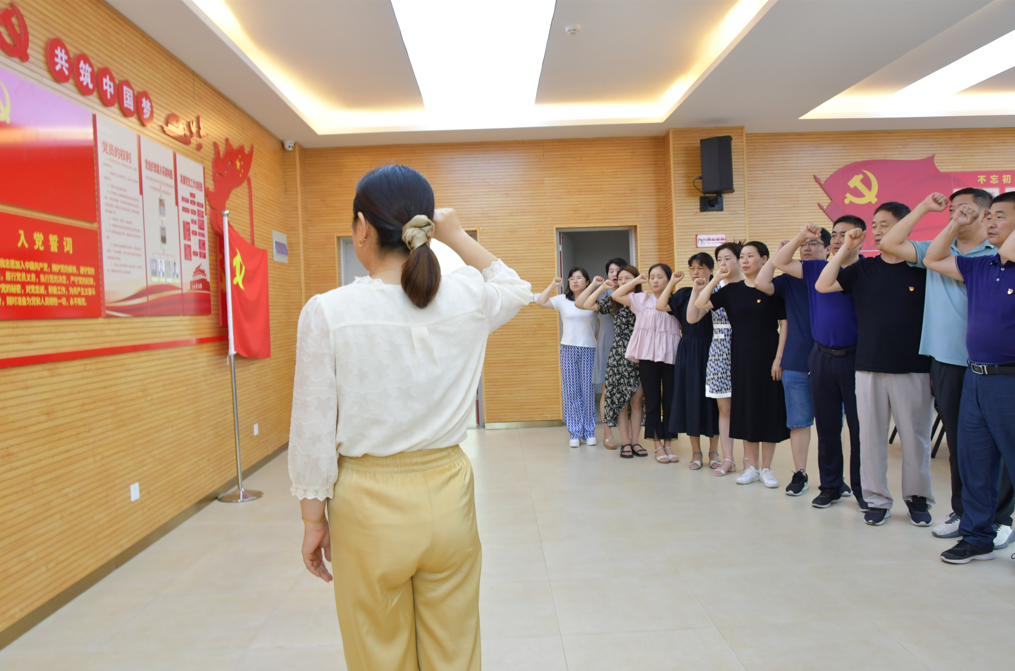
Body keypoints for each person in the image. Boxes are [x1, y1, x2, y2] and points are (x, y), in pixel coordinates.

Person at [288, 165, 531, 671]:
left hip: (368, 505)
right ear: (425, 226)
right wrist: (456, 235)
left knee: (378, 654)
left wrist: (313, 520)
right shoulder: (466, 295)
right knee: (454, 650)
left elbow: (313, 430)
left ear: (362, 227)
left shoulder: (329, 312)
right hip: (449, 493)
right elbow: (515, 286)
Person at [879, 190, 1014, 548]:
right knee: (965, 447)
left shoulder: (997, 255)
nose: (959, 214)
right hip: (950, 362)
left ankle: (1001, 518)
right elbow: (892, 244)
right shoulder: (950, 252)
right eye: (953, 210)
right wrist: (931, 210)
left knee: (1004, 447)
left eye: (968, 209)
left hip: (999, 368)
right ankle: (966, 514)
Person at [816, 201, 935, 527]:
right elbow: (823, 284)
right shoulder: (864, 268)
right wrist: (845, 248)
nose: (878, 230)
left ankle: (918, 498)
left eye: (886, 224)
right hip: (868, 365)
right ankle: (876, 499)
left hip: (912, 367)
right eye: (875, 225)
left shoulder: (922, 267)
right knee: (869, 437)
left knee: (915, 438)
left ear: (904, 227)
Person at [923, 192, 1015, 563]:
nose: (990, 222)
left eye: (1000, 216)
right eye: (988, 216)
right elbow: (932, 258)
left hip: (1009, 381)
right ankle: (977, 537)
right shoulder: (980, 266)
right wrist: (956, 223)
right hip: (975, 377)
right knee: (975, 462)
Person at [773, 218, 865, 510]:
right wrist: (801, 236)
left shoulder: (868, 269)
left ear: (859, 237)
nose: (839, 239)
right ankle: (830, 485)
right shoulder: (816, 269)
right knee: (827, 428)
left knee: (859, 428)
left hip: (857, 357)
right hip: (821, 357)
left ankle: (863, 489)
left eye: (845, 234)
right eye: (835, 234)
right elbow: (780, 261)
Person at [694, 241, 789, 487]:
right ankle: (752, 468)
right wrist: (716, 279)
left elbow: (784, 324)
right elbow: (701, 303)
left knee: (767, 410)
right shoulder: (731, 291)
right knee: (746, 410)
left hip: (768, 356)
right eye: (743, 256)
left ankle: (766, 469)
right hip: (740, 358)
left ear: (764, 259)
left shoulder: (772, 288)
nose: (745, 261)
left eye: (750, 256)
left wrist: (779, 358)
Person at [756, 230, 829, 495]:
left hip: (831, 360)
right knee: (799, 422)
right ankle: (800, 474)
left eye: (813, 243)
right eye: (802, 245)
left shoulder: (837, 274)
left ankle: (834, 478)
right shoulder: (789, 280)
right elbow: (761, 282)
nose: (806, 248)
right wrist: (784, 248)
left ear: (828, 249)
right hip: (797, 360)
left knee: (831, 424)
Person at [612, 264, 682, 463]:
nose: (655, 280)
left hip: (671, 356)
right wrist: (636, 280)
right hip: (647, 358)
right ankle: (657, 444)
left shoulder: (676, 301)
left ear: (669, 279)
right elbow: (617, 295)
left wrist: (674, 284)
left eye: (660, 276)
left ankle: (668, 443)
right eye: (652, 277)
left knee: (670, 401)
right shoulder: (642, 300)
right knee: (652, 402)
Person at [658, 253, 720, 470]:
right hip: (689, 349)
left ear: (711, 270)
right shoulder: (684, 293)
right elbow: (661, 305)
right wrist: (673, 282)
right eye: (692, 268)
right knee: (692, 399)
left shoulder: (718, 292)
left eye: (700, 268)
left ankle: (714, 451)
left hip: (713, 348)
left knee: (714, 401)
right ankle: (696, 452)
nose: (696, 272)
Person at [577, 266, 646, 458]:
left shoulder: (643, 299)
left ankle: (635, 442)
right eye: (620, 279)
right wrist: (600, 287)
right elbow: (586, 304)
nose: (623, 282)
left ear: (636, 280)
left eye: (628, 278)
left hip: (640, 351)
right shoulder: (614, 301)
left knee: (637, 400)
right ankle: (626, 443)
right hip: (619, 353)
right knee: (621, 401)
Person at [687, 242, 740, 476]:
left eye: (728, 258)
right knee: (723, 408)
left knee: (746, 405)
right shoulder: (715, 287)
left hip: (744, 345)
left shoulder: (750, 285)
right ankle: (728, 458)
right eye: (720, 260)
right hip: (719, 347)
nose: (723, 264)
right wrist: (699, 288)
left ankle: (751, 461)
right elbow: (692, 317)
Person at [536, 267, 599, 447]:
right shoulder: (562, 299)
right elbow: (541, 302)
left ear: (587, 282)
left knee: (588, 391)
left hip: (589, 349)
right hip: (568, 349)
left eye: (579, 278)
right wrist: (553, 285)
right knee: (571, 392)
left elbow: (603, 323)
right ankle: (575, 432)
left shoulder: (593, 300)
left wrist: (595, 339)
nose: (574, 281)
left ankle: (589, 431)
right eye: (571, 278)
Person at [594, 258, 629, 449]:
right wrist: (599, 287)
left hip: (628, 344)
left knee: (628, 390)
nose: (614, 274)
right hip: (607, 342)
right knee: (607, 390)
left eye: (618, 270)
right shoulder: (603, 293)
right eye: (611, 271)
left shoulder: (630, 293)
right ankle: (607, 433)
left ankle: (628, 436)